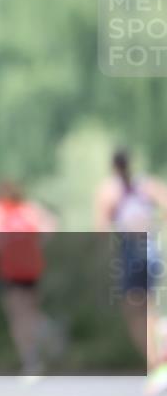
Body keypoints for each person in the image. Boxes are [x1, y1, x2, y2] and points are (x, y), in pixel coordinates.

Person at [0, 178, 58, 377]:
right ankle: (46, 334)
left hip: (10, 270)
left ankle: (31, 360)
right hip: (32, 267)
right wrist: (36, 244)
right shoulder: (30, 208)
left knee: (17, 316)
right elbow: (52, 225)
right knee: (29, 311)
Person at [94, 148, 167, 372]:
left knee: (134, 311)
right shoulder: (146, 184)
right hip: (151, 247)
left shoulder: (109, 190)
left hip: (131, 250)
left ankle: (155, 363)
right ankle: (158, 354)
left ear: (113, 166)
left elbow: (101, 228)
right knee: (150, 307)